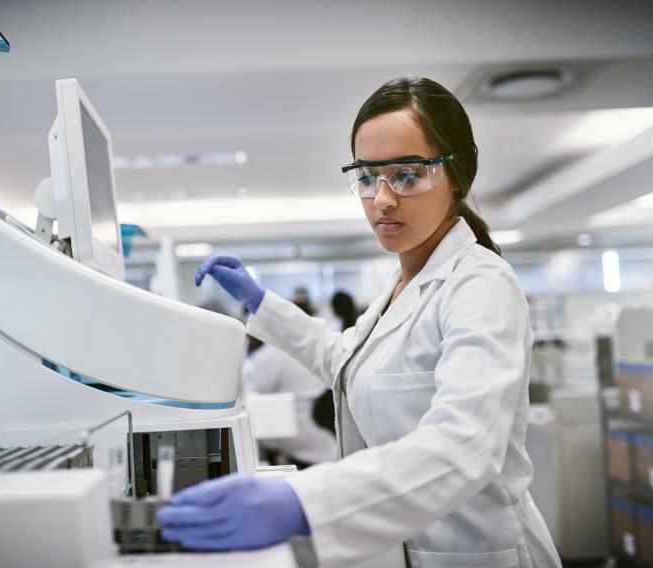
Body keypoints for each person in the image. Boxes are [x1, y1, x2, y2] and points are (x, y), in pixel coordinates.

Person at [157, 77, 560, 568]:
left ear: (458, 175)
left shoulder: (481, 286)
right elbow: (343, 361)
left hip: (473, 553)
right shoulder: (400, 285)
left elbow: (466, 444)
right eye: (367, 177)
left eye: (407, 174)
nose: (382, 199)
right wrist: (262, 303)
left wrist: (303, 504)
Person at [245, 334, 337, 469]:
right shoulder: (289, 346)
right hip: (318, 430)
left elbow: (252, 392)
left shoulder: (270, 354)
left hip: (299, 428)